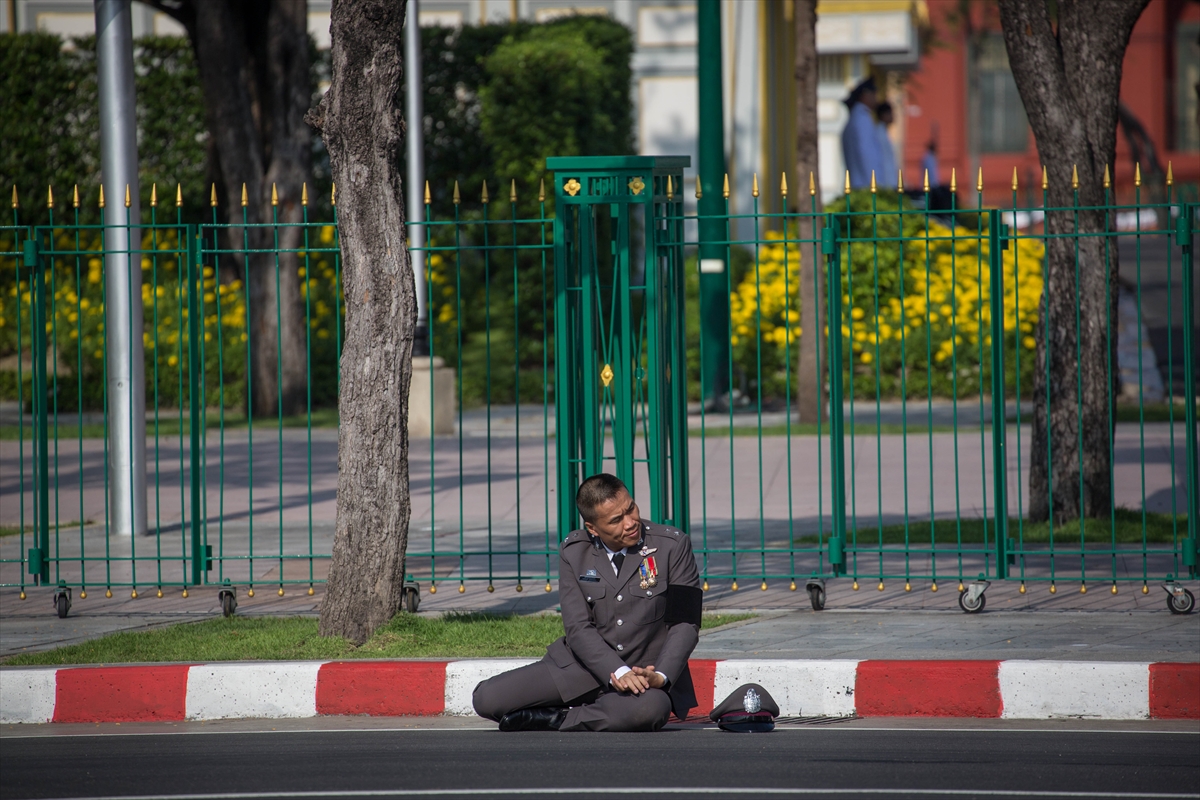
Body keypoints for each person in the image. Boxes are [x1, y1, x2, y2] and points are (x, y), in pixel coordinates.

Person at [472, 473, 703, 732]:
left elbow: (686, 621)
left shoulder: (672, 545)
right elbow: (578, 627)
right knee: (486, 698)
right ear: (592, 528)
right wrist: (616, 670)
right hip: (583, 668)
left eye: (631, 509)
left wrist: (660, 676)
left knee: (651, 709)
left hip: (643, 676)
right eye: (616, 520)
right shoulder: (574, 551)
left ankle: (556, 719)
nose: (630, 522)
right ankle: (601, 708)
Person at [841, 76, 880, 190]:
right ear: (865, 95)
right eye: (873, 94)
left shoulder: (858, 117)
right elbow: (866, 154)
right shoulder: (862, 119)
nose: (875, 98)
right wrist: (874, 184)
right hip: (865, 185)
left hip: (859, 183)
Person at [875, 101, 898, 187]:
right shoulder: (879, 134)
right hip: (885, 181)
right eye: (890, 113)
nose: (893, 116)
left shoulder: (884, 132)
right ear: (883, 115)